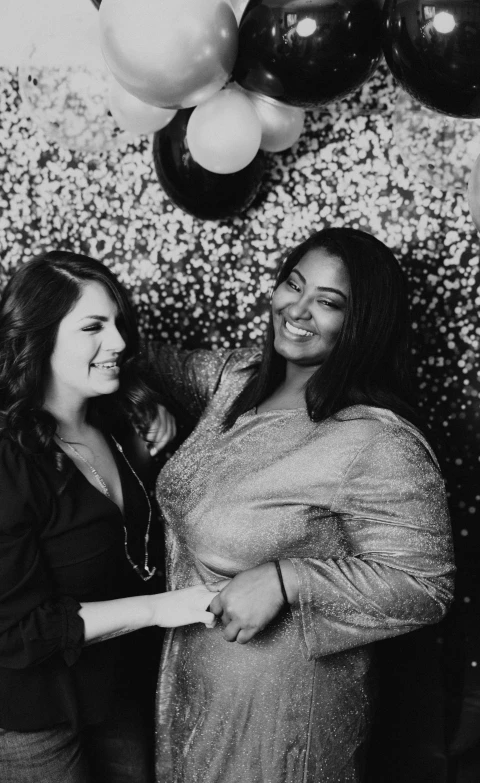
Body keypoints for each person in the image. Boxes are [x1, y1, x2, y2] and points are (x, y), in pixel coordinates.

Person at [148, 227, 456, 783]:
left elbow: (426, 585)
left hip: (283, 715)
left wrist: (288, 579)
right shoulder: (234, 379)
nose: (299, 309)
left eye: (329, 302)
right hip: (190, 684)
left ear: (363, 324)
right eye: (294, 285)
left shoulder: (375, 440)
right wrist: (138, 400)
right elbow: (126, 356)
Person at [0, 251, 217, 783]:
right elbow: (16, 631)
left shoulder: (121, 422)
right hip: (28, 716)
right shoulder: (8, 457)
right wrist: (162, 608)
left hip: (114, 689)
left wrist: (153, 421)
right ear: (39, 337)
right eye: (94, 326)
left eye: (118, 323)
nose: (119, 342)